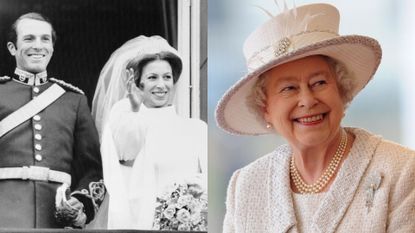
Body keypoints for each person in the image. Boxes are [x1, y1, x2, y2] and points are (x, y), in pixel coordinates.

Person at [215, 3, 415, 233]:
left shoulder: (401, 171)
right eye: (289, 88)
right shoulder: (246, 186)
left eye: (319, 83)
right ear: (265, 108)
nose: (307, 100)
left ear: (342, 90)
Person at [0, 12, 105, 228]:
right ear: (12, 48)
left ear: (52, 48)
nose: (38, 46)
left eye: (45, 39)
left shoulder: (73, 101)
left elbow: (92, 169)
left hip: (57, 221)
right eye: (29, 39)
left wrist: (80, 205)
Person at [92, 35, 207, 230]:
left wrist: (197, 190)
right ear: (139, 84)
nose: (161, 85)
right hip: (140, 225)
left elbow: (212, 180)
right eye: (152, 77)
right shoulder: (128, 121)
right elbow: (125, 152)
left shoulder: (197, 129)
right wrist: (132, 106)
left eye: (167, 77)